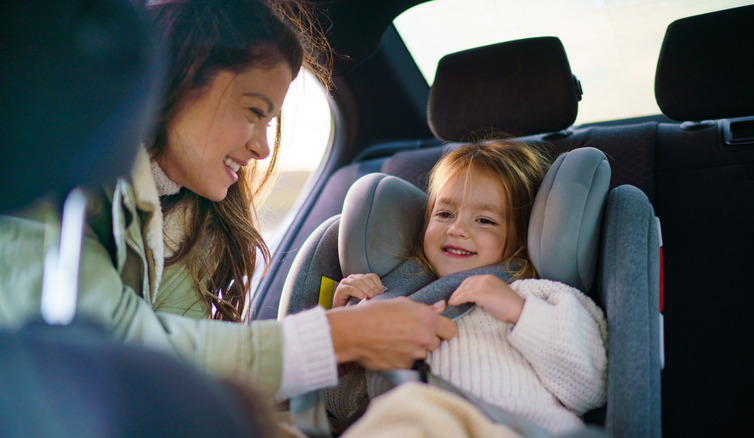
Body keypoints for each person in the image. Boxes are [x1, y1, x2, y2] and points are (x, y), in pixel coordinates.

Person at [0, 0, 454, 411]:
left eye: (271, 122)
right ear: (183, 76)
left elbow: (198, 372)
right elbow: (108, 348)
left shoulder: (185, 223)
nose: (262, 148)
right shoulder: (43, 181)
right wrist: (338, 337)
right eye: (255, 111)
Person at [326, 140, 608, 436]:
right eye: (445, 214)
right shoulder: (394, 298)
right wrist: (342, 335)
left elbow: (592, 385)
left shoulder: (536, 294)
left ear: (523, 236)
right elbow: (344, 405)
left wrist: (520, 312)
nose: (456, 229)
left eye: (485, 220)